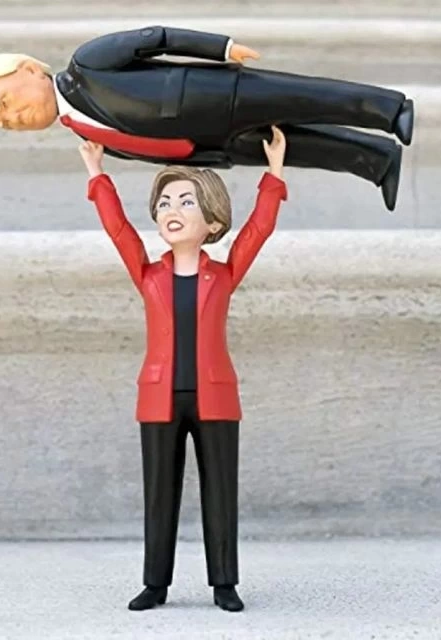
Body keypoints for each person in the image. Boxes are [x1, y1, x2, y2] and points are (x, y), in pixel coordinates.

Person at [78, 124, 289, 612]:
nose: (172, 211)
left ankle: (224, 583)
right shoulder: (149, 274)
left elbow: (258, 230)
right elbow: (118, 230)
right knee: (159, 494)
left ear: (212, 221)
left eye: (186, 202)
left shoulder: (225, 274)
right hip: (160, 397)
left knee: (221, 492)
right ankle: (155, 583)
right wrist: (96, 173)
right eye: (165, 203)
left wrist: (275, 173)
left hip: (215, 397)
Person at [0, 25, 413, 211]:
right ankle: (378, 161)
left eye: (7, 102)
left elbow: (156, 38)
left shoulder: (87, 63)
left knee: (307, 98)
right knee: (298, 147)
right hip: (211, 145)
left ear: (30, 70)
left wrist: (221, 48)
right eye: (4, 122)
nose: (13, 117)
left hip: (214, 96)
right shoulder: (87, 135)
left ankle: (392, 109)